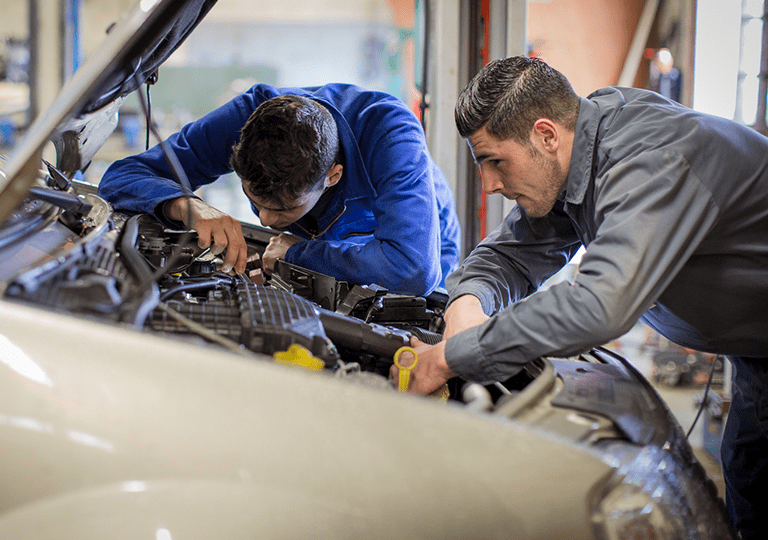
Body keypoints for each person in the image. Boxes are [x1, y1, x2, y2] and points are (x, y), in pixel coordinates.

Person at [398, 56, 768, 539]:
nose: (489, 186)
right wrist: (466, 304)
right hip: (756, 351)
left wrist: (452, 356)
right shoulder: (575, 160)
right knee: (751, 486)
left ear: (546, 135)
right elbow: (508, 258)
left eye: (495, 161)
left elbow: (600, 305)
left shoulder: (650, 159)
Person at [97, 83, 461, 296]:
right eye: (254, 201)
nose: (269, 222)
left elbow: (412, 268)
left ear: (333, 176)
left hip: (422, 247)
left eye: (284, 211)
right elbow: (123, 175)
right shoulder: (249, 120)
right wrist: (188, 205)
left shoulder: (389, 133)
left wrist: (299, 254)